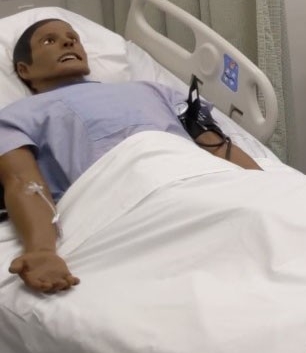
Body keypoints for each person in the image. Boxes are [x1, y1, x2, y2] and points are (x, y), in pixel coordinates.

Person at [0, 19, 260, 294]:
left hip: (201, 176)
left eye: (73, 38)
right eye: (49, 41)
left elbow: (216, 146)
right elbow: (22, 181)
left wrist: (269, 186)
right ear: (24, 69)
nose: (68, 42)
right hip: (127, 193)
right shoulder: (15, 117)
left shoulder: (155, 90)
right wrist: (41, 251)